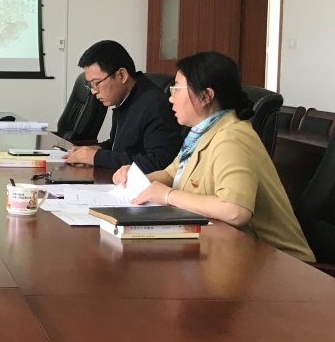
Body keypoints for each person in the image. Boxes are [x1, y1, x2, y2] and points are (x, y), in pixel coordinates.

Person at [114, 51, 315, 263]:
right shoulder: (201, 133)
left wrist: (168, 196)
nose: (170, 98)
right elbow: (171, 174)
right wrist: (137, 178)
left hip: (278, 263)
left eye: (176, 89)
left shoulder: (232, 138)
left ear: (205, 96)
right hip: (232, 252)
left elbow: (235, 210)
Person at [64, 40, 182, 172]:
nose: (93, 91)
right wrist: (94, 150)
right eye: (90, 84)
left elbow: (159, 162)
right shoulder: (126, 97)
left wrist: (97, 157)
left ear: (122, 75)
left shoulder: (154, 105)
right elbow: (118, 146)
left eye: (96, 83)